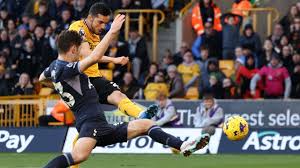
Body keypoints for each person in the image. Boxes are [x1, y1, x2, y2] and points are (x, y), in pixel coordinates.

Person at [41, 27, 210, 167]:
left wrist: (62, 87)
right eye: (78, 51)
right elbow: (94, 57)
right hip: (91, 123)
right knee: (78, 156)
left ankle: (183, 145)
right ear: (72, 49)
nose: (79, 55)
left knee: (146, 124)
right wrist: (112, 31)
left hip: (99, 124)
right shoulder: (67, 68)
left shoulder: (53, 68)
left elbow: (42, 79)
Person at [68, 3, 157, 120]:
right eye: (100, 22)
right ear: (90, 18)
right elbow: (87, 55)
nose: (103, 27)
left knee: (116, 95)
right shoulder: (78, 28)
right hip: (79, 77)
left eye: (105, 23)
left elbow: (95, 56)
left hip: (93, 78)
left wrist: (114, 59)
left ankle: (141, 115)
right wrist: (114, 57)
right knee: (91, 122)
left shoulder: (95, 34)